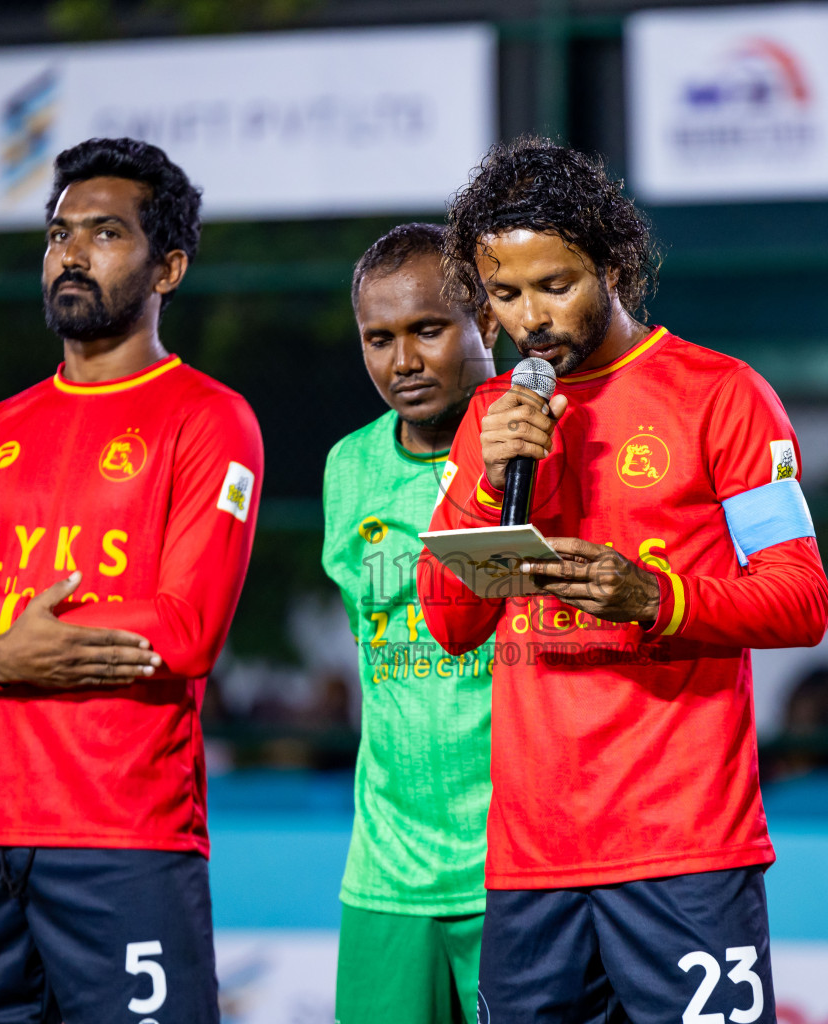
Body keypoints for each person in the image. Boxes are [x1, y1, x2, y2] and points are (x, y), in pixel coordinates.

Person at [418, 138, 828, 1022]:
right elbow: (451, 622)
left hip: (685, 851)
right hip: (531, 866)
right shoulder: (492, 418)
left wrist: (657, 596)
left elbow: (803, 598)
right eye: (505, 294)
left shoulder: (723, 395)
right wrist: (491, 478)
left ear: (612, 265)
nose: (530, 317)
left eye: (554, 284)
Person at [0, 138, 262, 1024]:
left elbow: (182, 631)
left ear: (167, 266)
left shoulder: (211, 420)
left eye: (104, 233)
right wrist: (4, 651)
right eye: (59, 233)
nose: (71, 252)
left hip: (126, 840)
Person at [321, 223, 500, 1024]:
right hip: (386, 871)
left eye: (428, 330)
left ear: (485, 324)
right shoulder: (347, 467)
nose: (403, 361)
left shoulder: (539, 446)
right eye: (378, 338)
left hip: (518, 870)